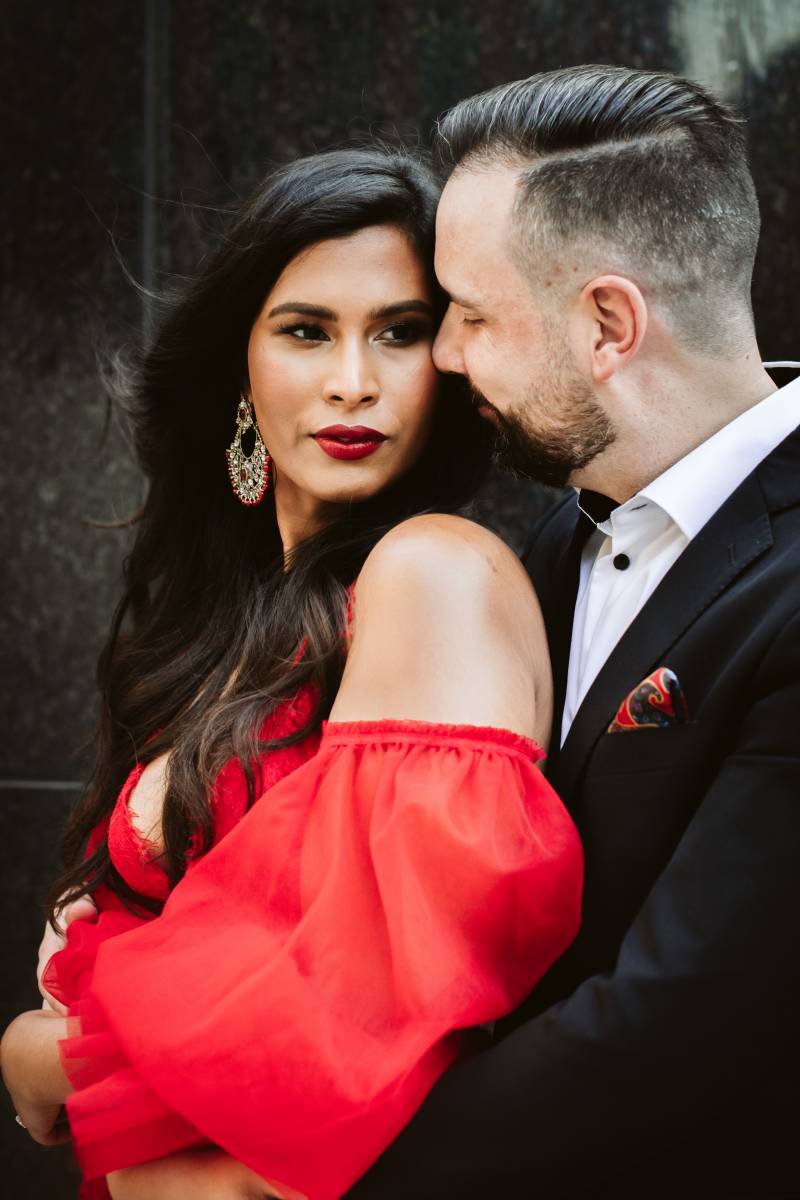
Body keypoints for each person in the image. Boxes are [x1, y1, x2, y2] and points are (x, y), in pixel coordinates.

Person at [0, 146, 583, 1199]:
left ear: (450, 362)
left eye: (398, 334)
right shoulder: (223, 619)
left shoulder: (432, 573)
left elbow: (369, 1024)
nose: (351, 383)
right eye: (306, 330)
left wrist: (45, 1059)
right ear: (241, 365)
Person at [342, 66, 800, 1200]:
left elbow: (668, 1029)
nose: (443, 356)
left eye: (473, 312)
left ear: (606, 324)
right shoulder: (552, 537)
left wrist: (299, 1173)